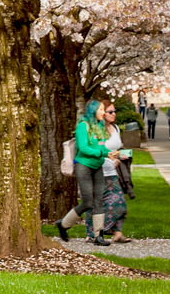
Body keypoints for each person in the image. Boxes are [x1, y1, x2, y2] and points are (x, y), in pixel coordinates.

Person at [55, 99, 118, 246]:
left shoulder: (99, 127)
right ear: (93, 111)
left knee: (99, 201)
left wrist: (110, 153)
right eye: (101, 110)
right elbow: (83, 148)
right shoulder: (83, 126)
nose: (103, 112)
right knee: (88, 201)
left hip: (97, 167)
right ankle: (63, 224)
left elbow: (101, 147)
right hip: (83, 166)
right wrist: (102, 154)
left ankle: (98, 236)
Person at [84, 100, 132, 244]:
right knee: (95, 203)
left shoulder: (115, 128)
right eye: (110, 112)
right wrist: (109, 158)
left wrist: (121, 155)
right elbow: (92, 150)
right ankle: (92, 232)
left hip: (112, 172)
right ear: (101, 113)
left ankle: (117, 232)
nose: (113, 114)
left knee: (120, 204)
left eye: (114, 111)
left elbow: (116, 148)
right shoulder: (95, 129)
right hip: (97, 170)